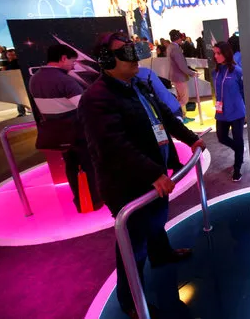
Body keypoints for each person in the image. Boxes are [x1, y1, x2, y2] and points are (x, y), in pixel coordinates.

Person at [79, 32, 205, 319]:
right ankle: (130, 300)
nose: (135, 57)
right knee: (132, 245)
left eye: (135, 50)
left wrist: (190, 138)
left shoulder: (136, 83)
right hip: (128, 185)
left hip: (151, 175)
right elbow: (113, 146)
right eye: (127, 52)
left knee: (156, 219)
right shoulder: (96, 99)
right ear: (107, 59)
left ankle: (161, 255)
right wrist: (152, 174)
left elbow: (164, 117)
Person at [29, 44, 101, 212]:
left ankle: (81, 200)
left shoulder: (35, 79)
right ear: (62, 58)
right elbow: (84, 107)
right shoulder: (65, 80)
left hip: (58, 133)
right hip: (78, 131)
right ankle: (93, 201)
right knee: (88, 164)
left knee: (71, 165)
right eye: (72, 61)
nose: (73, 65)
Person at [212, 41, 246, 182]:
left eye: (218, 53)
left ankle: (237, 167)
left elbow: (244, 91)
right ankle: (239, 150)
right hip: (221, 112)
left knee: (238, 139)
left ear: (226, 53)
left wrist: (247, 111)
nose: (216, 56)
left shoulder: (237, 71)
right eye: (214, 53)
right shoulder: (216, 72)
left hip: (237, 112)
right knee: (221, 137)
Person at [167, 29, 197, 121]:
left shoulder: (170, 47)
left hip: (175, 76)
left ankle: (182, 116)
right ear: (178, 38)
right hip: (179, 77)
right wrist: (192, 73)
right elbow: (182, 65)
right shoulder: (176, 48)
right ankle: (177, 116)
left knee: (180, 97)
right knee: (184, 99)